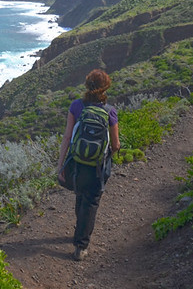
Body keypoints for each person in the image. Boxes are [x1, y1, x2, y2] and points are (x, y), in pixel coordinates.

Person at [57, 69, 121, 261]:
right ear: (105, 87)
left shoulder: (76, 106)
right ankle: (81, 246)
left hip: (77, 162)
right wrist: (104, 156)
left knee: (80, 194)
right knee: (91, 202)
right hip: (97, 166)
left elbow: (68, 137)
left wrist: (61, 164)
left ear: (87, 85)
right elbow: (116, 144)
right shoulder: (110, 111)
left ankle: (79, 229)